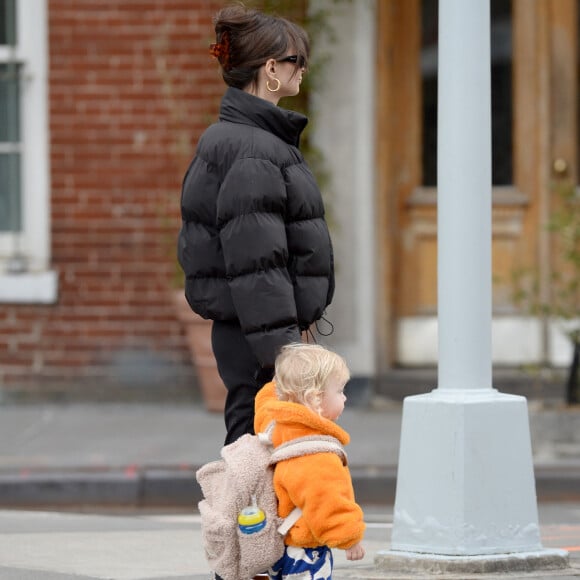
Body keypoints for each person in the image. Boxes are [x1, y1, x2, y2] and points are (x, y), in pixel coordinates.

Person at [177, 4, 335, 446]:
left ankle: (241, 519)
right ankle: (235, 520)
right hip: (260, 339)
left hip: (253, 333)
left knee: (251, 454)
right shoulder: (253, 150)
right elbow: (256, 262)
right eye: (296, 61)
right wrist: (286, 353)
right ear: (270, 69)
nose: (303, 70)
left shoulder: (238, 139)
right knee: (255, 457)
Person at [254, 343, 366, 579]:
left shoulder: (276, 425)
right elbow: (327, 499)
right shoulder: (316, 453)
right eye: (339, 391)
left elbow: (263, 403)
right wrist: (348, 538)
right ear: (315, 399)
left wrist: (284, 380)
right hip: (305, 549)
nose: (344, 398)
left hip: (277, 544)